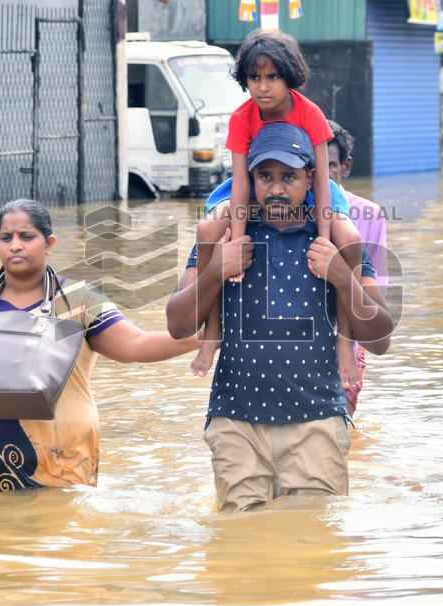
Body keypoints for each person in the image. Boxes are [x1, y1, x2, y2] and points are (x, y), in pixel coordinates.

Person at [167, 123, 393, 512]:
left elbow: (380, 339)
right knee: (242, 544)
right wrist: (216, 271)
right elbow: (178, 325)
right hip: (236, 421)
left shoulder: (332, 241)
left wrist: (341, 276)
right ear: (248, 179)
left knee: (309, 542)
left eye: (288, 176)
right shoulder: (229, 237)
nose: (275, 188)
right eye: (264, 176)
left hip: (317, 420)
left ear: (311, 179)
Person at [0, 199, 200, 496]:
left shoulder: (76, 300)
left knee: (61, 537)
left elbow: (136, 345)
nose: (15, 246)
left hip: (63, 459)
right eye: (6, 238)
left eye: (27, 237)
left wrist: (205, 338)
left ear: (49, 243)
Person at [191, 30, 364, 391]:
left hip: (311, 188)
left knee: (350, 239)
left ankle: (345, 341)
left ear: (290, 77)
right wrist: (236, 242)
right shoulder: (242, 117)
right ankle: (212, 331)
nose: (263, 87)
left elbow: (318, 180)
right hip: (253, 186)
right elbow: (240, 183)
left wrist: (324, 241)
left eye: (272, 77)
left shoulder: (309, 113)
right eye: (255, 77)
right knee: (207, 231)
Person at [325, 120, 389, 415]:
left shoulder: (368, 215)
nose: (320, 177)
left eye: (330, 166)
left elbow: (374, 305)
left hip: (347, 347)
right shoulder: (287, 209)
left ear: (345, 167)